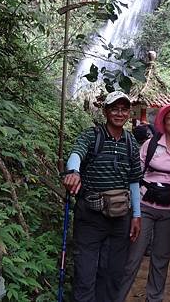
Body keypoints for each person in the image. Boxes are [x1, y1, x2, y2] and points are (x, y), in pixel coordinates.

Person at [62, 91, 143, 302]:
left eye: (124, 109)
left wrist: (137, 215)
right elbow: (76, 154)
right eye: (114, 108)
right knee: (85, 274)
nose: (119, 113)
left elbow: (134, 180)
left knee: (112, 274)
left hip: (120, 218)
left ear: (128, 113)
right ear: (106, 111)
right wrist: (73, 172)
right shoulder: (92, 136)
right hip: (90, 216)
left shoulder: (131, 143)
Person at [118, 103, 170, 302]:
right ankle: (117, 296)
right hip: (144, 206)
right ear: (164, 122)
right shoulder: (150, 145)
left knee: (161, 259)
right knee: (132, 258)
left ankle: (154, 298)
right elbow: (135, 175)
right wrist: (134, 210)